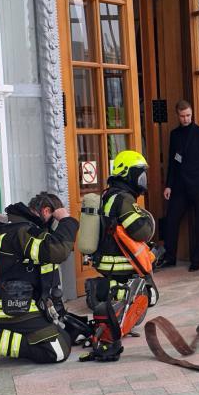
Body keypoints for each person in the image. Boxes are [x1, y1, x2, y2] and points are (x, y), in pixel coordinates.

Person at [0, 192, 79, 371]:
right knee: (57, 350)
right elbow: (57, 250)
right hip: (11, 308)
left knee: (65, 334)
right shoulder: (22, 231)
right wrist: (66, 220)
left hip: (1, 304)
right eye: (53, 220)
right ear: (46, 211)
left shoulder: (9, 224)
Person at [88, 150, 156, 361]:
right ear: (127, 174)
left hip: (106, 260)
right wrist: (147, 219)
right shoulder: (124, 199)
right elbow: (141, 231)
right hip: (119, 262)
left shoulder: (109, 194)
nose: (142, 180)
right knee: (146, 293)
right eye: (139, 174)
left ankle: (111, 318)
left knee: (117, 294)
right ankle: (115, 326)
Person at [160, 100, 199, 271]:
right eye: (182, 116)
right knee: (171, 220)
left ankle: (197, 259)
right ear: (177, 116)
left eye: (188, 115)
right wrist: (168, 185)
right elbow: (172, 162)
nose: (186, 119)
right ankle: (170, 256)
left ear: (192, 113)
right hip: (179, 186)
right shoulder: (174, 135)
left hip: (198, 185)